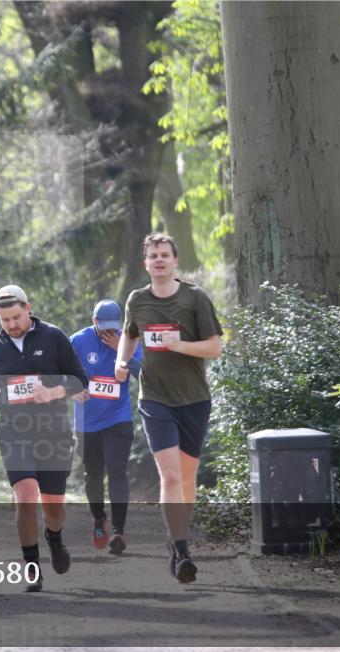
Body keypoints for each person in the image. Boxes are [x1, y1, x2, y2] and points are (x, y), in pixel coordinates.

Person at [114, 234, 223, 583]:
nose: (159, 260)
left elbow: (215, 348)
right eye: (153, 256)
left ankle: (176, 538)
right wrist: (121, 360)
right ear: (146, 263)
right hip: (155, 399)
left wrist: (180, 345)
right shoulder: (137, 300)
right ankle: (182, 551)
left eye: (164, 255)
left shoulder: (195, 298)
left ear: (175, 261)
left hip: (194, 399)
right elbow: (130, 334)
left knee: (187, 481)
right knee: (171, 476)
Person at [0, 285, 87, 592]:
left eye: (16, 317)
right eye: (5, 319)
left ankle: (55, 536)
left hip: (54, 432)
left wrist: (53, 391)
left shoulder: (53, 337)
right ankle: (32, 566)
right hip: (14, 432)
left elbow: (79, 380)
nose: (11, 324)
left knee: (53, 508)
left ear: (28, 308)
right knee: (25, 495)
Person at [69, 299, 142, 555]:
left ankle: (119, 531)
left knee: (117, 470)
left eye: (114, 328)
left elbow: (144, 373)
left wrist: (122, 352)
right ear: (94, 322)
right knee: (93, 475)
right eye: (103, 328)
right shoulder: (77, 341)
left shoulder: (128, 340)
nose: (109, 333)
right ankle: (99, 518)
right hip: (87, 422)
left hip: (117, 418)